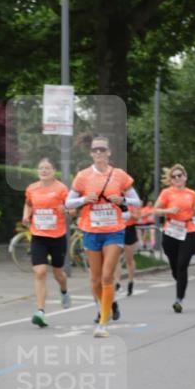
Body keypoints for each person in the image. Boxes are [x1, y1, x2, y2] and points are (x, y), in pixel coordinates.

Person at [66, 135, 141, 338]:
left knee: (107, 276)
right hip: (91, 231)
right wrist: (83, 199)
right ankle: (106, 306)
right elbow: (68, 203)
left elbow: (137, 200)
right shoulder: (82, 176)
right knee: (95, 279)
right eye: (95, 150)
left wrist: (122, 199)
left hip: (114, 230)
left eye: (102, 149)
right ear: (91, 154)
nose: (99, 153)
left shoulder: (119, 175)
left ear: (109, 152)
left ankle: (103, 323)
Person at [22, 158, 71, 328]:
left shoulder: (61, 189)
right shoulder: (32, 188)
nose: (44, 171)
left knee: (59, 274)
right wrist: (25, 215)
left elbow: (72, 208)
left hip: (57, 236)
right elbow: (28, 204)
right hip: (38, 235)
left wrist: (66, 209)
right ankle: (40, 311)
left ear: (54, 171)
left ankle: (64, 290)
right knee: (40, 272)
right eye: (41, 168)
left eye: (47, 168)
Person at [153, 165, 195, 313]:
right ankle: (180, 280)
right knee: (175, 266)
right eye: (174, 176)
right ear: (171, 180)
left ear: (185, 176)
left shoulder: (191, 193)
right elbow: (156, 210)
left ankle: (179, 299)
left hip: (188, 230)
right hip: (171, 231)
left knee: (182, 265)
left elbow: (194, 209)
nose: (177, 178)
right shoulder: (167, 193)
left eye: (180, 175)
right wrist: (168, 211)